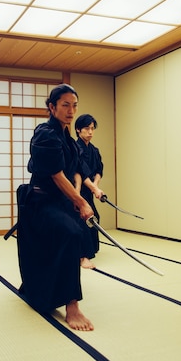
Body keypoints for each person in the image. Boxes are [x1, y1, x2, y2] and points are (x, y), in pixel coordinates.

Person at [16, 84, 102, 332]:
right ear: (52, 107)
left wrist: (78, 197)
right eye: (65, 105)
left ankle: (42, 289)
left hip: (61, 200)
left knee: (77, 234)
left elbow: (75, 172)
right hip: (41, 202)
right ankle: (72, 305)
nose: (71, 110)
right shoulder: (45, 134)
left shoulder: (69, 139)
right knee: (71, 233)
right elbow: (55, 175)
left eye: (74, 105)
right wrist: (80, 201)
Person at [75, 114, 104, 269]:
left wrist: (95, 186)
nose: (90, 132)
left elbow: (98, 170)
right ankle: (83, 257)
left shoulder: (94, 150)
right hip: (76, 190)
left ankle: (91, 250)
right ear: (78, 129)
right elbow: (81, 171)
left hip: (89, 190)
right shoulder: (75, 148)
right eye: (87, 128)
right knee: (84, 219)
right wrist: (94, 188)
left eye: (92, 128)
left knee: (95, 217)